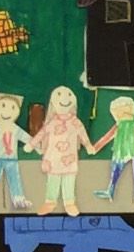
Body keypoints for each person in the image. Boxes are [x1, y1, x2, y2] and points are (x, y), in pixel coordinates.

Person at [28, 85, 96, 216]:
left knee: (69, 179)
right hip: (53, 157)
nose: (65, 99)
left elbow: (83, 135)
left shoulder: (75, 122)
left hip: (69, 157)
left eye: (69, 95)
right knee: (52, 179)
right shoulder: (52, 122)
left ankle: (69, 203)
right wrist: (32, 144)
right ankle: (50, 202)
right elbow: (42, 133)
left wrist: (88, 146)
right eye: (59, 95)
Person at [92, 96, 134, 201]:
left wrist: (95, 148)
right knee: (130, 173)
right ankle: (133, 192)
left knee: (128, 173)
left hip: (124, 153)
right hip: (126, 152)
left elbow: (106, 138)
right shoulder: (128, 125)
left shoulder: (126, 125)